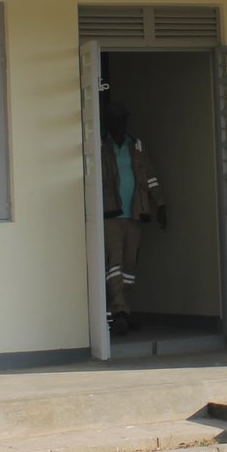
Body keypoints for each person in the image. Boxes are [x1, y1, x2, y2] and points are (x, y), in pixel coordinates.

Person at [98, 100, 168, 335]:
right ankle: (118, 311)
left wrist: (160, 204)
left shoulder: (135, 145)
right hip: (110, 215)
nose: (121, 123)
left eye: (124, 119)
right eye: (117, 119)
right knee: (114, 264)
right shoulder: (99, 146)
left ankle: (123, 311)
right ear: (109, 122)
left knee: (129, 267)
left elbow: (150, 176)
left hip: (135, 213)